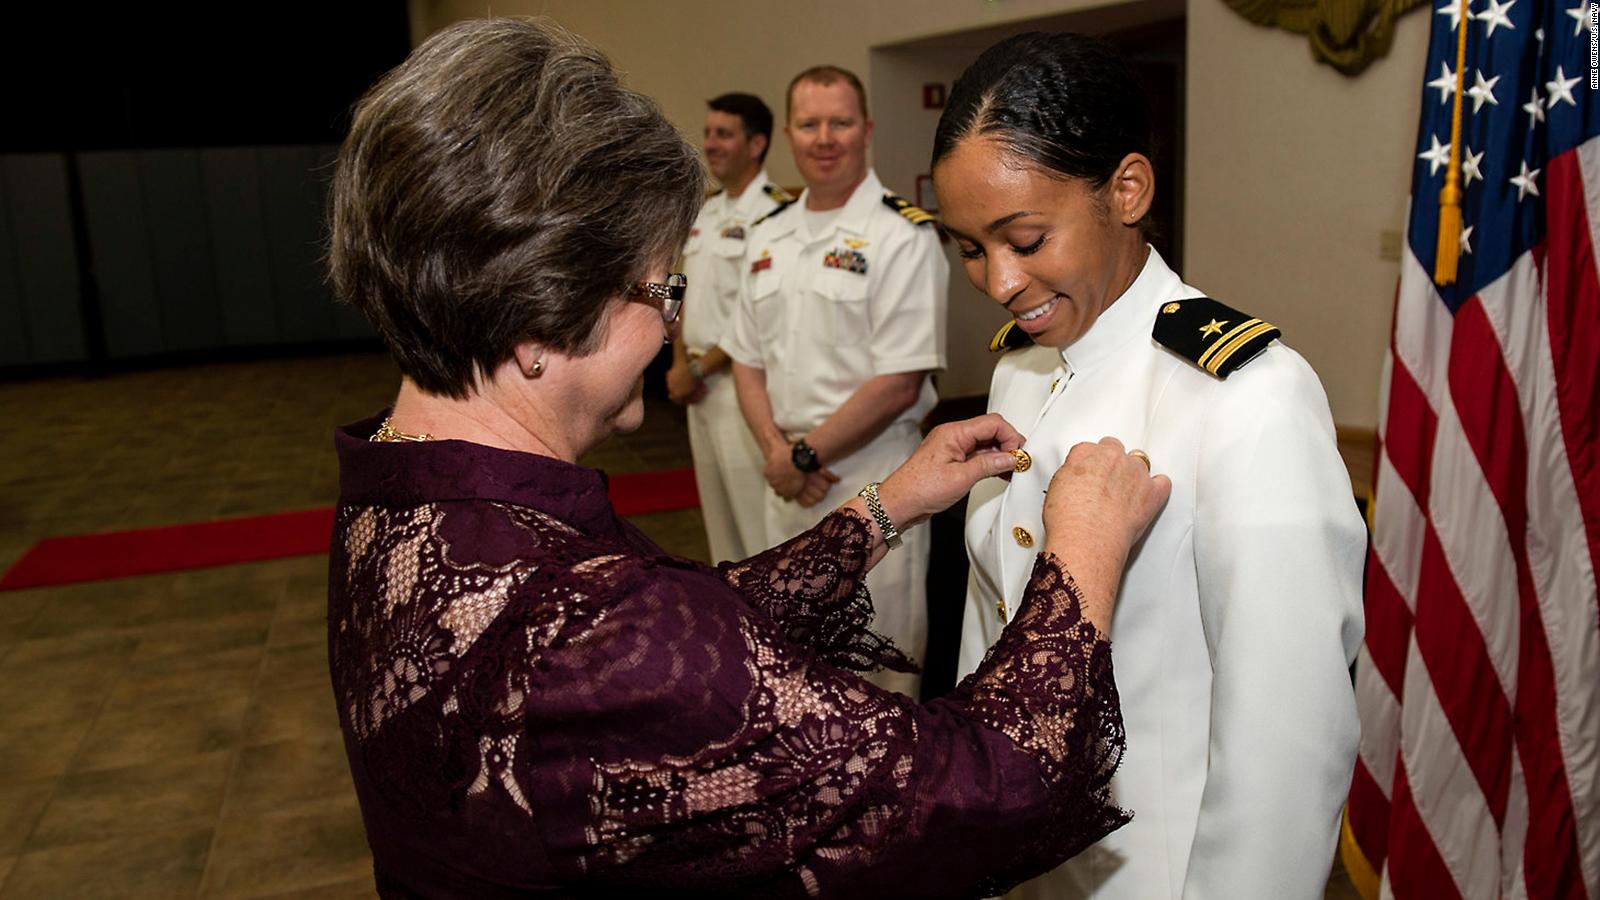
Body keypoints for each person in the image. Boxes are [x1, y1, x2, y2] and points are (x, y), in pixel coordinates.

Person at [327, 18, 1173, 898]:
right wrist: (1077, 561)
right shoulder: (590, 633)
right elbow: (983, 788)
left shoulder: (402, 495)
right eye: (662, 289)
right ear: (543, 313)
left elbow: (691, 639)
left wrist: (880, 510)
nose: (669, 326)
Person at [933, 32, 1366, 900]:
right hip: (1025, 860)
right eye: (970, 247)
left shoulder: (1246, 396)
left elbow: (1287, 740)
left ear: (1126, 189)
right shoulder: (1023, 366)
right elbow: (994, 637)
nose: (999, 280)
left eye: (1024, 236)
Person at [724, 65, 948, 697]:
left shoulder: (901, 235)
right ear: (788, 133)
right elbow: (746, 359)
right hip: (786, 485)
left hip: (876, 485)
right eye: (810, 123)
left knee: (875, 668)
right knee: (786, 656)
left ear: (867, 130)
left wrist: (802, 454)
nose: (826, 137)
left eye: (841, 122)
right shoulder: (768, 236)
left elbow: (900, 382)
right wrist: (776, 451)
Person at [666, 92, 790, 563]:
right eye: (709, 133)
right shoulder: (706, 212)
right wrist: (681, 362)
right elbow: (685, 290)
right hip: (697, 386)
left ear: (756, 144)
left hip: (742, 387)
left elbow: (756, 313)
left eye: (724, 134)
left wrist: (698, 371)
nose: (711, 144)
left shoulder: (775, 214)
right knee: (719, 523)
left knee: (756, 522)